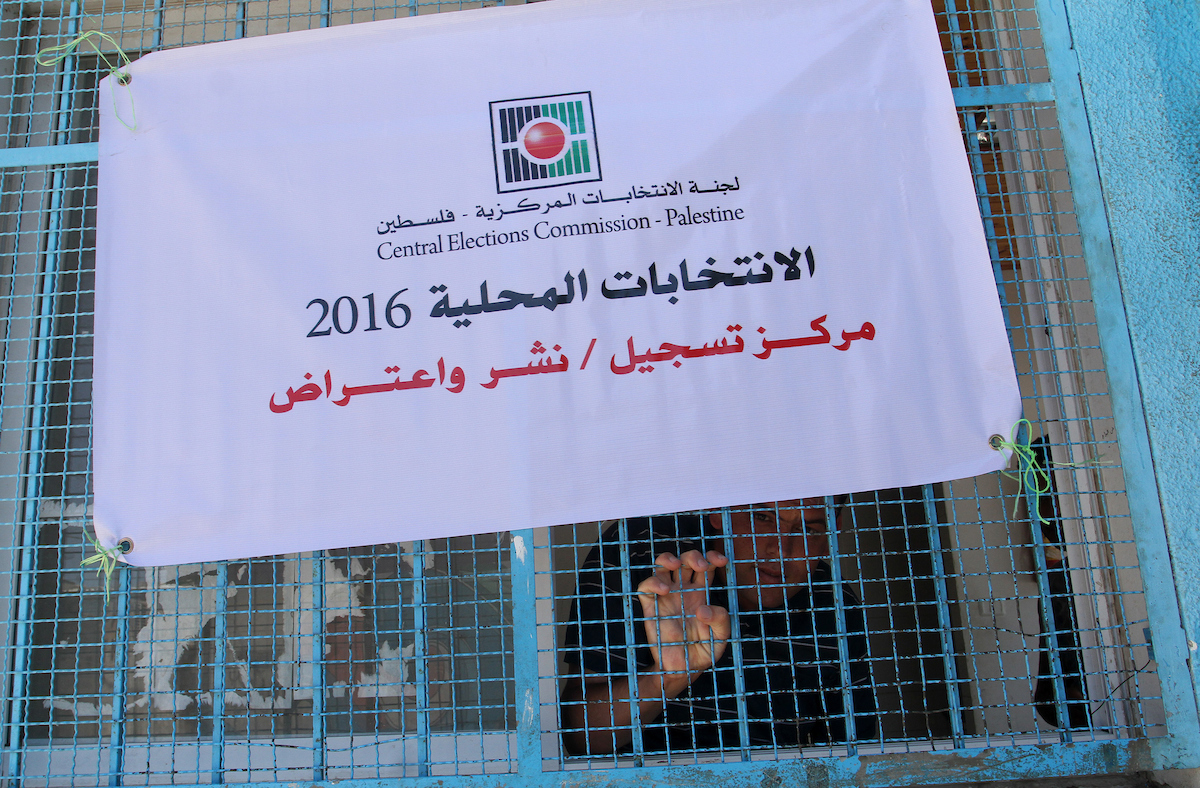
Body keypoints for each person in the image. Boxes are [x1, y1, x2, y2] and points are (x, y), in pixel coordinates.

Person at [559, 498, 876, 755]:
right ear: (717, 509)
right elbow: (581, 738)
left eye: (807, 529)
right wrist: (668, 677)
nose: (780, 549)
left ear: (832, 531)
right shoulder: (641, 550)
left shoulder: (834, 605)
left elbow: (855, 756)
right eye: (762, 518)